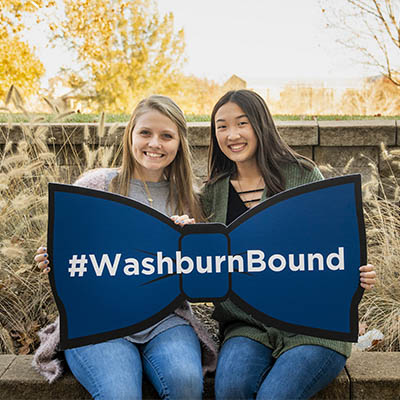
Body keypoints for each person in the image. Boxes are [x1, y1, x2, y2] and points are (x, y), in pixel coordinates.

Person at [33, 95, 217, 400]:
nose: (154, 143)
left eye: (166, 135)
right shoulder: (97, 185)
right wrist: (51, 257)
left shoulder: (189, 198)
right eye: (145, 133)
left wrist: (194, 247)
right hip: (99, 320)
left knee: (185, 383)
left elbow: (204, 279)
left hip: (165, 320)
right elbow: (68, 251)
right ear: (131, 133)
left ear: (179, 142)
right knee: (120, 393)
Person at [201, 89, 376, 400]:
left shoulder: (302, 174)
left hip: (312, 322)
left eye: (242, 123)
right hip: (247, 326)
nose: (232, 134)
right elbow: (198, 263)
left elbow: (336, 242)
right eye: (222, 126)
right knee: (229, 390)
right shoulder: (211, 194)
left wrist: (356, 274)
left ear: (260, 124)